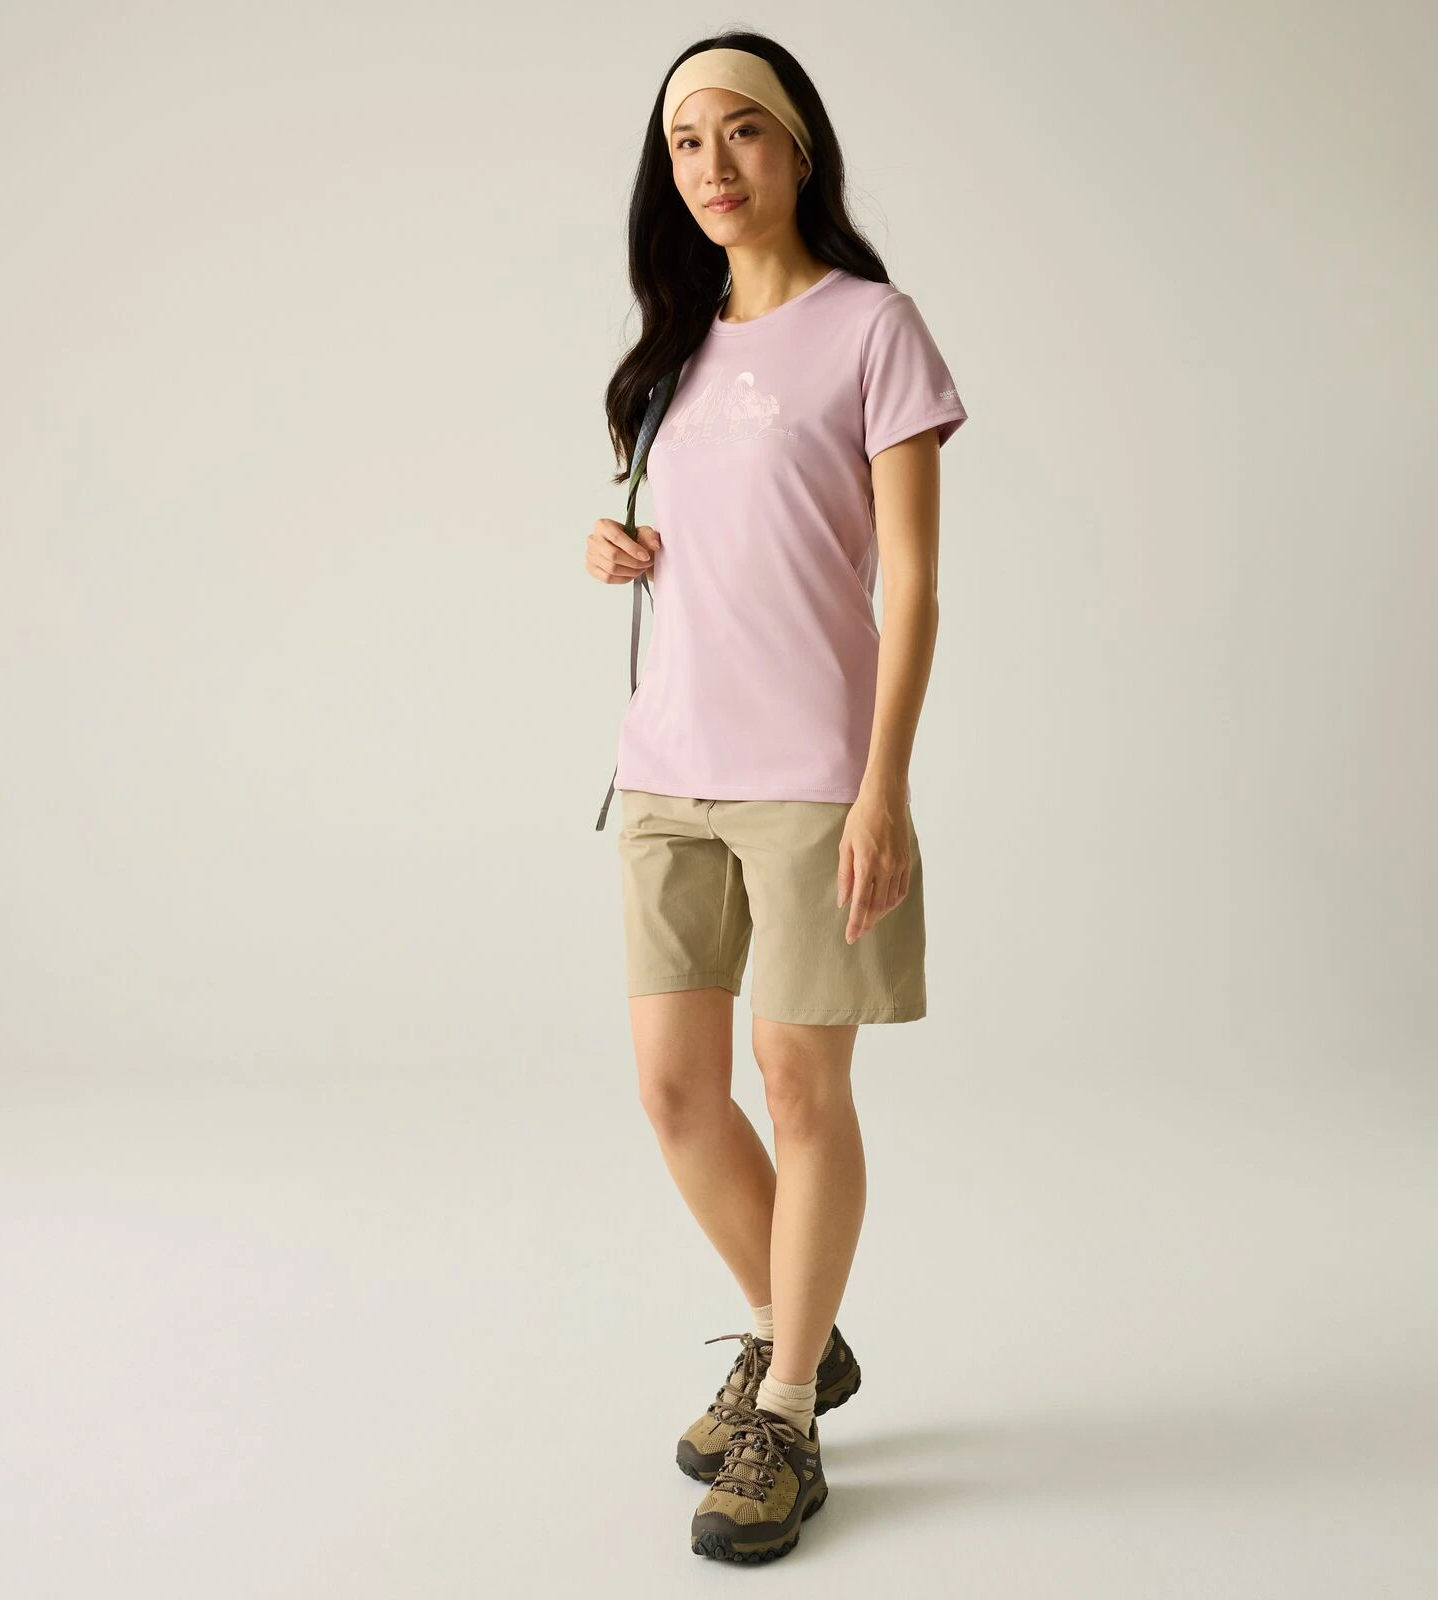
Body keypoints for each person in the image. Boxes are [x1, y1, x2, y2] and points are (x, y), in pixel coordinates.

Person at [584, 33, 968, 1563]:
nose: (713, 165)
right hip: (666, 770)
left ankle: (788, 1410)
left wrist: (886, 788)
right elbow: (727, 541)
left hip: (813, 780)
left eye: (742, 131)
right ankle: (797, 1334)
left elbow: (910, 583)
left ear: (800, 146)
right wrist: (622, 548)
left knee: (801, 1091)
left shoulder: (874, 328)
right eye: (686, 141)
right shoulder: (673, 348)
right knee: (676, 1093)